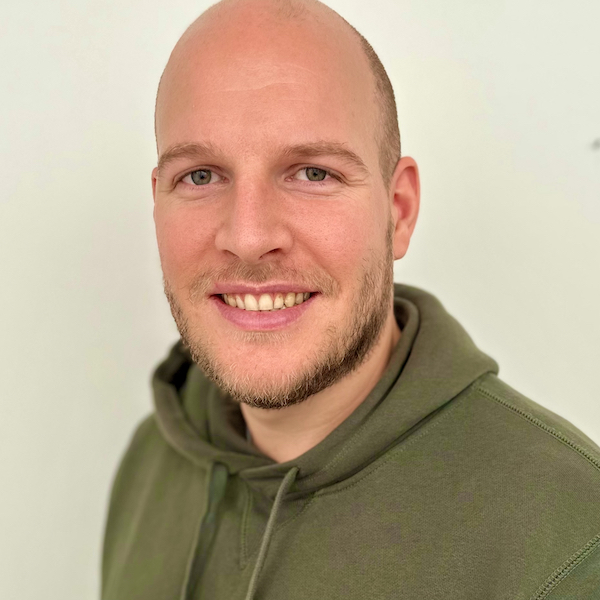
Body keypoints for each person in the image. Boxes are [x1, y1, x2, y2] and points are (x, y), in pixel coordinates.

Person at [101, 0, 600, 598]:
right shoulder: (154, 459)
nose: (249, 237)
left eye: (313, 173)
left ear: (399, 211)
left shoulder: (570, 541)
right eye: (200, 176)